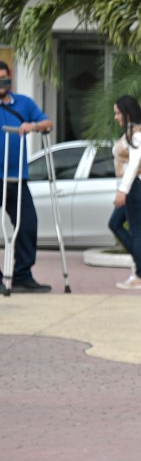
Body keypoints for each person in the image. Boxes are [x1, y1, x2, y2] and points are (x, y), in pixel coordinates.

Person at [0, 61, 54, 293]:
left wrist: (32, 125)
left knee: (28, 224)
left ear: (10, 78)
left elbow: (47, 123)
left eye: (4, 79)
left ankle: (22, 275)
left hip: (17, 178)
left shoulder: (23, 103)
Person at [108, 95, 141, 291]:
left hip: (137, 185)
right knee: (115, 224)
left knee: (136, 229)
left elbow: (134, 164)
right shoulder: (131, 131)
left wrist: (122, 190)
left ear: (128, 113)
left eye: (118, 113)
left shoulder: (137, 133)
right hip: (133, 185)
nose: (116, 117)